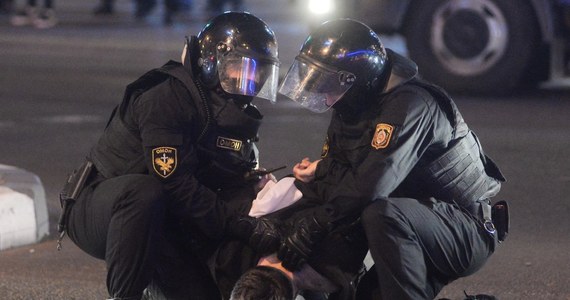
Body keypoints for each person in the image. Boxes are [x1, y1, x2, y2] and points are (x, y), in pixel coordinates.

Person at [277, 19, 508, 300]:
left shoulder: (411, 105)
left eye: (327, 82)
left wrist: (313, 224)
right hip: (411, 222)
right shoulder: (353, 103)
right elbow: (339, 177)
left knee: (379, 213)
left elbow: (372, 184)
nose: (322, 92)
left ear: (356, 79)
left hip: (462, 228)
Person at [58, 12, 282, 300]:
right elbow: (173, 184)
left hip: (165, 219)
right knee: (146, 192)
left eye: (258, 73)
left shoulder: (232, 113)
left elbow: (216, 183)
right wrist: (242, 226)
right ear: (211, 62)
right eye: (242, 70)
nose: (250, 81)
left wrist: (252, 183)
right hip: (102, 209)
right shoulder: (166, 97)